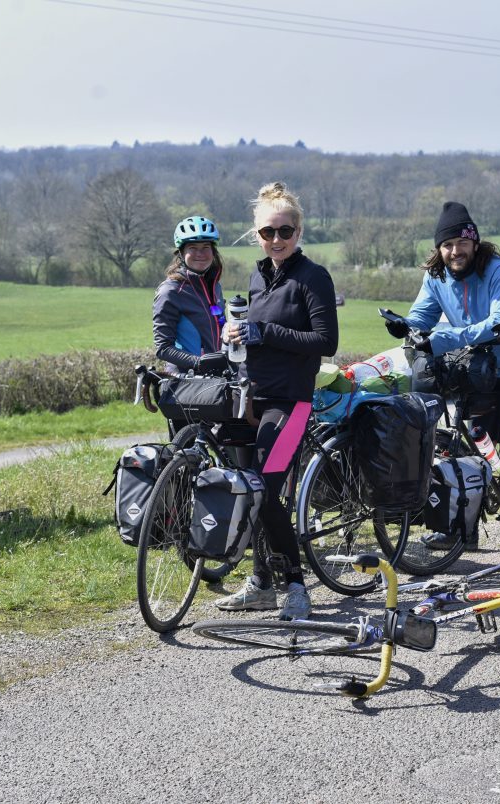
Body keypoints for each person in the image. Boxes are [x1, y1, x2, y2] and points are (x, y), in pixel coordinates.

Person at [390, 201, 500, 549]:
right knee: (463, 442)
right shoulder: (436, 276)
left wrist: (443, 339)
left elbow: (499, 322)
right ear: (439, 248)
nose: (455, 251)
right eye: (447, 245)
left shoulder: (499, 271)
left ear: (475, 243)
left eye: (461, 243)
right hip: (482, 366)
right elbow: (421, 316)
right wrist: (406, 328)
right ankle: (460, 527)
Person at [214, 182, 338, 621]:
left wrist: (264, 333)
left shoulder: (313, 278)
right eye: (268, 233)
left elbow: (326, 341)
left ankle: (296, 586)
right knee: (248, 492)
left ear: (298, 231)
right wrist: (233, 335)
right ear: (256, 235)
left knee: (266, 489)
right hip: (254, 399)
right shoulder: (257, 278)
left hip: (294, 404)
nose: (276, 240)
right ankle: (261, 583)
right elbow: (256, 337)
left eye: (285, 232)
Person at [152, 215, 231, 378]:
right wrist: (199, 362)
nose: (200, 253)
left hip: (216, 377)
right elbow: (163, 348)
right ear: (181, 252)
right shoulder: (171, 291)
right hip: (185, 381)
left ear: (213, 251)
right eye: (193, 248)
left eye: (205, 247)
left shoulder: (214, 286)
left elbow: (219, 325)